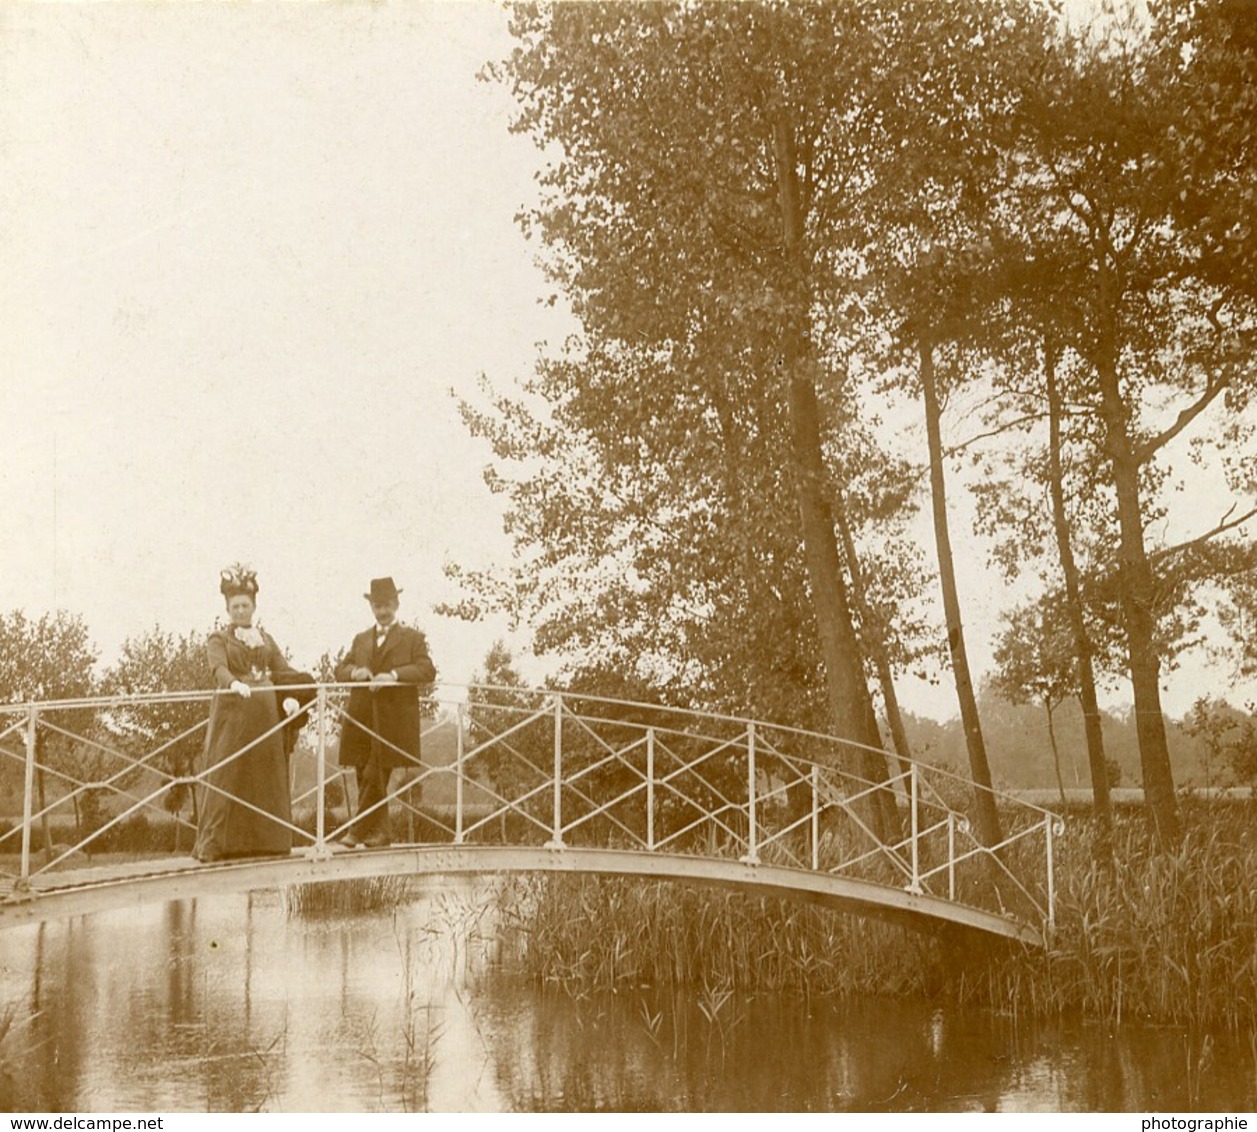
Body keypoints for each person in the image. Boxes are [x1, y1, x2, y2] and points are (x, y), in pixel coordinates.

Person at [193, 564, 313, 863]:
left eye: (246, 605)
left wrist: (295, 696)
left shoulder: (266, 639)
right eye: (236, 606)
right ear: (227, 608)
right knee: (229, 772)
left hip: (265, 717)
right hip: (234, 714)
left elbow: (283, 670)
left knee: (265, 775)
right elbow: (218, 667)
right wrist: (232, 682)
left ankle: (268, 843)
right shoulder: (219, 639)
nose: (241, 611)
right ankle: (218, 844)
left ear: (254, 607)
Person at [334, 576, 436, 847]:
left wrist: (392, 675)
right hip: (361, 717)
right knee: (362, 773)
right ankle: (381, 834)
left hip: (392, 720)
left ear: (397, 604)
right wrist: (356, 672)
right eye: (378, 606)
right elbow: (340, 670)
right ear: (371, 608)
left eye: (388, 605)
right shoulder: (360, 639)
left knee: (374, 773)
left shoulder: (412, 638)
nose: (383, 611)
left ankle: (356, 831)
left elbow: (426, 669)